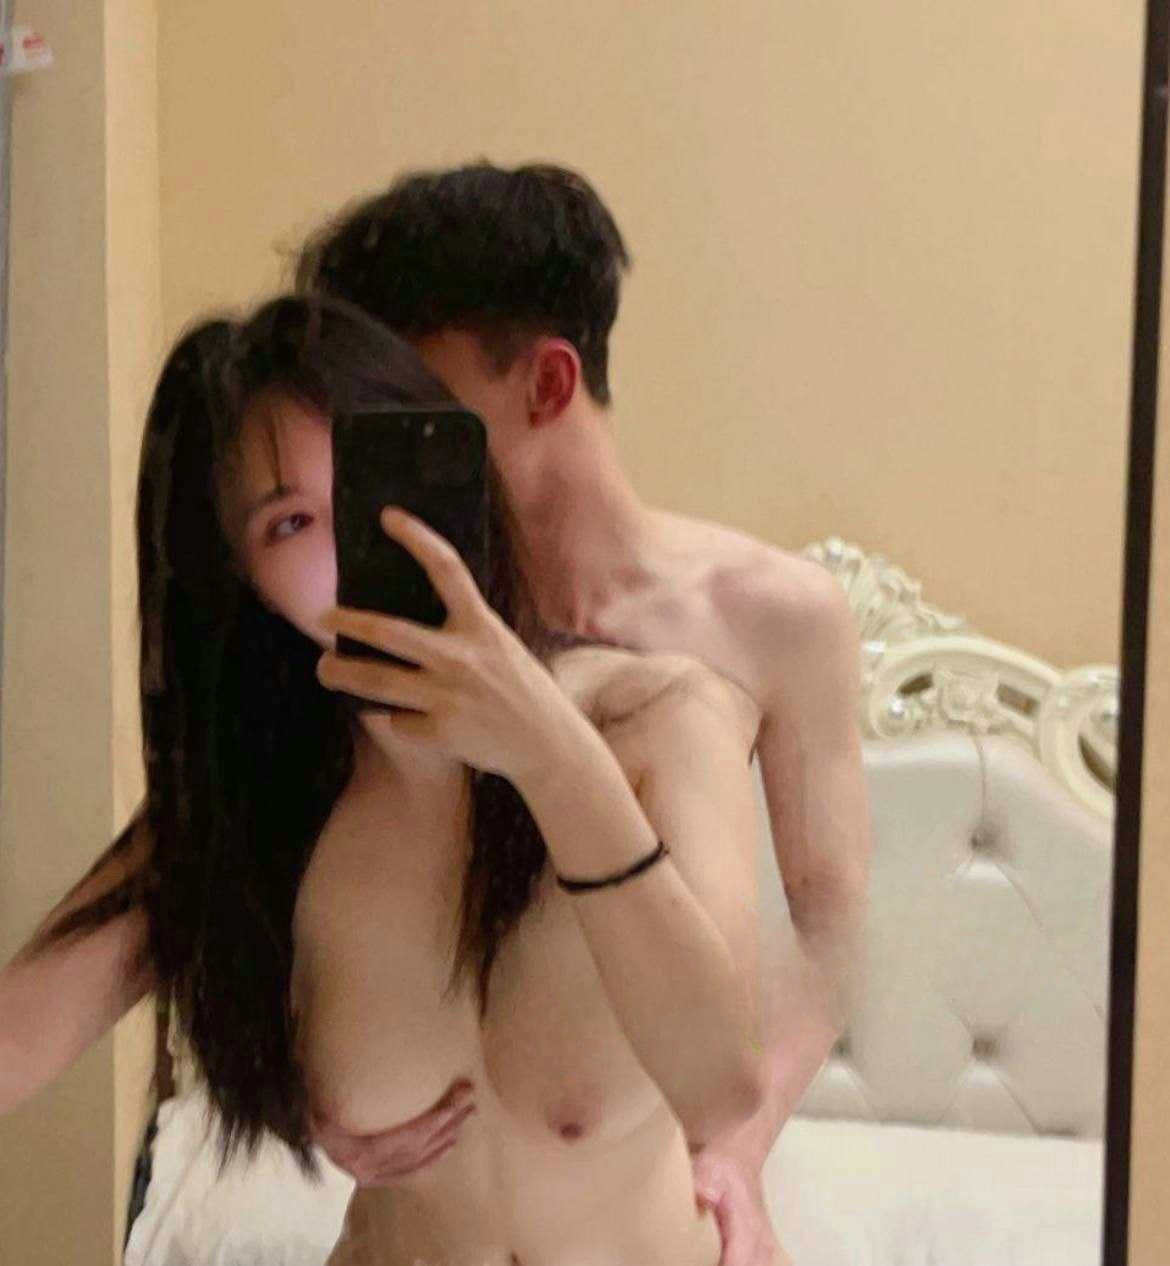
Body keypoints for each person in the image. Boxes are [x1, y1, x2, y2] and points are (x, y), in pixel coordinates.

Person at [0, 162, 870, 1265]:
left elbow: (734, 1059)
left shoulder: (665, 706)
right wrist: (294, 1067)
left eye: (385, 467)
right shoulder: (270, 782)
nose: (364, 537)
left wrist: (549, 755)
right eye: (288, 522)